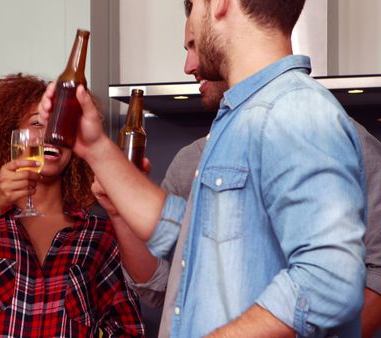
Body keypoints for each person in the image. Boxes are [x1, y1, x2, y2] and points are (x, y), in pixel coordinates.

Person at [40, 0, 368, 336]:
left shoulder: (293, 112)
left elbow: (330, 279)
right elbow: (193, 236)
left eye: (195, 5)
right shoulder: (243, 117)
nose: (187, 62)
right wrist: (95, 147)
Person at [0, 73, 145, 337]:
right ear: (9, 138)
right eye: (37, 123)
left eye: (61, 124)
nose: (52, 134)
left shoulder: (99, 236)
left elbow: (127, 327)